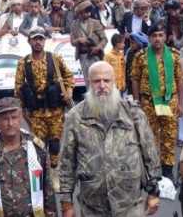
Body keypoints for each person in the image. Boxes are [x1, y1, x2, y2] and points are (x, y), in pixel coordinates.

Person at [58, 61, 161, 217]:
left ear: (114, 82)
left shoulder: (133, 113)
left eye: (106, 80)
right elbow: (66, 161)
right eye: (96, 81)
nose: (102, 85)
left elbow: (150, 153)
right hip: (93, 207)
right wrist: (66, 201)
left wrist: (153, 192)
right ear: (88, 83)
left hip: (129, 204)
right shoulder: (75, 116)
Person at [0, 97, 56, 217]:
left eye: (14, 117)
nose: (10, 123)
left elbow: (48, 190)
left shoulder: (37, 150)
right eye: (4, 119)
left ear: (21, 118)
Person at [14, 28, 74, 188]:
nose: (38, 42)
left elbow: (68, 76)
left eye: (41, 39)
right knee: (38, 146)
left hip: (55, 111)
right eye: (35, 39)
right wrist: (22, 112)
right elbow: (18, 88)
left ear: (44, 41)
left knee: (54, 144)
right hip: (36, 114)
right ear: (29, 41)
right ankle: (40, 177)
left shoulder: (54, 59)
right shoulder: (23, 63)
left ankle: (54, 173)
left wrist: (68, 91)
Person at [131, 22, 183, 179]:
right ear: (149, 38)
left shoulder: (174, 55)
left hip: (169, 101)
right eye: (154, 36)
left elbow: (179, 79)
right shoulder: (140, 56)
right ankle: (152, 172)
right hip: (148, 102)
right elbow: (135, 79)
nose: (157, 39)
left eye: (161, 35)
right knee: (149, 136)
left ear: (166, 37)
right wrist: (136, 102)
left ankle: (168, 172)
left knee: (169, 136)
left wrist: (181, 104)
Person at [70, 0, 107, 82]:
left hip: (95, 54)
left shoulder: (95, 23)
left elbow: (104, 39)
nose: (87, 14)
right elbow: (72, 42)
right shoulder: (74, 25)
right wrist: (79, 40)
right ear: (79, 13)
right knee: (87, 80)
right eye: (84, 12)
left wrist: (98, 47)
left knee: (98, 78)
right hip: (83, 55)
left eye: (88, 12)